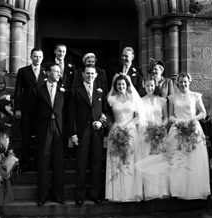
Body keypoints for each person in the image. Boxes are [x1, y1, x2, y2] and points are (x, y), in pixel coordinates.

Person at [136, 72, 210, 200]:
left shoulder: (195, 96)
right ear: (177, 83)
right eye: (181, 82)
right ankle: (178, 190)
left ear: (189, 82)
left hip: (192, 127)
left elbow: (203, 113)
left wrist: (192, 119)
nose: (183, 84)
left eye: (185, 81)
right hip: (177, 127)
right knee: (177, 158)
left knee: (192, 158)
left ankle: (194, 189)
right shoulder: (172, 98)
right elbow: (170, 116)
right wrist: (179, 122)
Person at [68, 64, 110, 206]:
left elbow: (107, 112)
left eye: (92, 74)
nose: (90, 76)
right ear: (82, 75)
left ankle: (94, 194)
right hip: (81, 131)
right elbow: (71, 115)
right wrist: (73, 134)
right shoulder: (75, 91)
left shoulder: (100, 93)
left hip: (97, 131)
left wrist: (102, 123)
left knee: (96, 164)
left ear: (96, 75)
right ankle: (79, 195)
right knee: (81, 163)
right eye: (87, 74)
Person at [29, 63, 66, 206]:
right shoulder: (38, 90)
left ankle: (58, 195)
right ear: (47, 73)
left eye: (59, 72)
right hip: (43, 128)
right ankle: (42, 196)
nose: (58, 74)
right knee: (43, 161)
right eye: (55, 71)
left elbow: (66, 113)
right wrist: (35, 129)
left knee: (58, 162)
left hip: (59, 128)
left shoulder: (64, 91)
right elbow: (31, 111)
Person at [105, 74, 146, 202]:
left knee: (129, 159)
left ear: (127, 85)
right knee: (116, 160)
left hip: (130, 131)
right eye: (118, 84)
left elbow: (139, 116)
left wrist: (129, 125)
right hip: (116, 130)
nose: (121, 86)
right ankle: (117, 194)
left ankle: (130, 193)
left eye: (123, 84)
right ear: (115, 86)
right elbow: (108, 115)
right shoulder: (111, 98)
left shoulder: (133, 98)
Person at [135, 77, 168, 200]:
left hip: (159, 133)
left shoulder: (162, 101)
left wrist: (160, 127)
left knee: (158, 160)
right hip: (146, 133)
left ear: (155, 86)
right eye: (147, 86)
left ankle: (160, 190)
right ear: (144, 86)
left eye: (152, 86)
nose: (150, 88)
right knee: (147, 159)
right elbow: (139, 118)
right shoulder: (140, 101)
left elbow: (166, 117)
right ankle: (148, 191)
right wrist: (148, 128)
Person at [14, 48, 46, 172]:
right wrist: (17, 109)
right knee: (25, 139)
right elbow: (17, 91)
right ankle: (25, 163)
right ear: (31, 57)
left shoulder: (46, 72)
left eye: (40, 57)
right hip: (26, 110)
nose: (37, 59)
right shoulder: (23, 71)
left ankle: (39, 164)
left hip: (41, 111)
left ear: (42, 58)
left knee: (40, 139)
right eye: (35, 56)